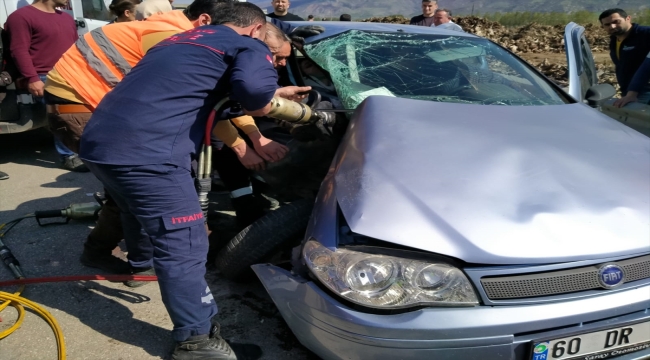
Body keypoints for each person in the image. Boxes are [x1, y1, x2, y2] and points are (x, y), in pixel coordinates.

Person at [78, 3, 309, 358]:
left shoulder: (182, 40)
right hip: (148, 154)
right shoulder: (249, 44)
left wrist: (273, 94)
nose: (278, 65)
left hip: (100, 144)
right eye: (278, 59)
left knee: (132, 209)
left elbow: (205, 97)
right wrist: (290, 106)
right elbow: (253, 93)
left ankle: (139, 264)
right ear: (257, 29)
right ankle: (197, 343)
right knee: (185, 246)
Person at [4, 0, 88, 172]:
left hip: (71, 74)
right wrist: (32, 78)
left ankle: (81, 151)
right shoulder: (21, 17)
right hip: (45, 76)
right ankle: (68, 156)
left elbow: (75, 48)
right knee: (60, 115)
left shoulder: (65, 18)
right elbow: (18, 50)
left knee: (78, 115)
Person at [599, 8, 650, 108]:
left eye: (616, 22)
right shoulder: (614, 40)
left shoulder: (645, 34)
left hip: (644, 91)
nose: (612, 26)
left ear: (628, 19)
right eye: (607, 24)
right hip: (628, 92)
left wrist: (632, 93)